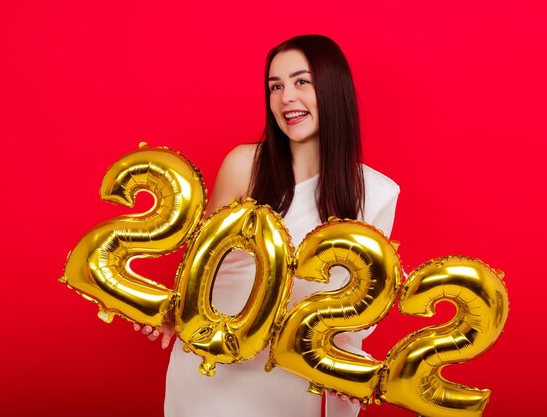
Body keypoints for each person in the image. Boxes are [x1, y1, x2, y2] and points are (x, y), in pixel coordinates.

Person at [136, 34, 400, 417]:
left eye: (301, 82)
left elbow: (357, 313)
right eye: (275, 86)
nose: (286, 97)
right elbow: (198, 271)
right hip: (213, 373)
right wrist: (168, 313)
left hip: (296, 379)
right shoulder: (245, 166)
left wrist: (349, 373)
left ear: (332, 88)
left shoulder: (376, 194)